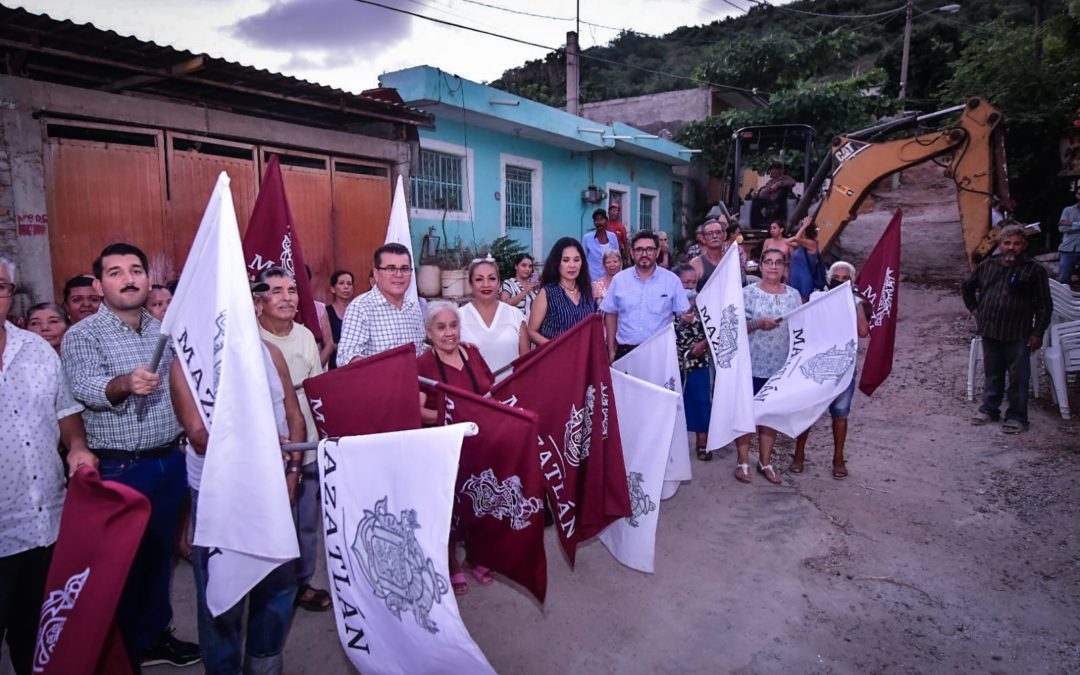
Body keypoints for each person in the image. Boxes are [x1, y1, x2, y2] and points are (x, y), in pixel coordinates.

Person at [62, 243, 199, 668]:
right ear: (100, 286)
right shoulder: (82, 335)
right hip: (120, 467)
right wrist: (123, 384)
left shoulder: (164, 332)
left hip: (168, 461)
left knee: (159, 559)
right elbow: (84, 387)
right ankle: (118, 652)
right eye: (116, 272)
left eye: (136, 269)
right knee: (118, 565)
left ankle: (155, 636)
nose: (129, 278)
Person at [170, 309, 306, 674]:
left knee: (277, 586)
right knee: (222, 598)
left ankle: (264, 665)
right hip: (221, 496)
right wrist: (260, 444)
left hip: (276, 488)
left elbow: (294, 416)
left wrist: (292, 472)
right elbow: (200, 438)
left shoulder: (269, 353)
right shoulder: (186, 364)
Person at [0, 254, 97, 675]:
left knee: (38, 641)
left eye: (1, 286)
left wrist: (76, 444)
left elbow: (65, 409)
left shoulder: (36, 349)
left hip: (45, 527)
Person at [254, 267, 330, 612]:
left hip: (306, 442)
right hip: (262, 447)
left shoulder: (304, 336)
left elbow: (318, 390)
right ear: (258, 300)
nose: (287, 297)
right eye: (276, 291)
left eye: (292, 290)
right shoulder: (246, 337)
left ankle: (302, 583)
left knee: (305, 521)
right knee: (266, 520)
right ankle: (264, 585)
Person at [417, 301, 496, 595]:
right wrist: (455, 417)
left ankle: (476, 558)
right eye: (441, 327)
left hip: (479, 441)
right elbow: (418, 412)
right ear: (428, 332)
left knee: (479, 501)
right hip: (444, 446)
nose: (449, 333)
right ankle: (450, 563)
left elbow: (489, 388)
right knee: (448, 508)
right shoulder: (422, 364)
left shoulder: (472, 352)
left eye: (453, 326)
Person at [963, 225, 1052, 433]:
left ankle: (1017, 417)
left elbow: (1044, 305)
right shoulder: (987, 265)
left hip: (1018, 332)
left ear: (1024, 245)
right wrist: (975, 309)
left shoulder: (1034, 270)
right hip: (990, 330)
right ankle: (989, 409)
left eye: (1016, 243)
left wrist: (1037, 332)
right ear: (1000, 245)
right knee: (992, 373)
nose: (1011, 247)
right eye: (1007, 243)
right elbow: (967, 287)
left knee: (1018, 377)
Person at [790, 261, 871, 479]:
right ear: (829, 278)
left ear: (852, 281)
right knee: (808, 412)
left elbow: (863, 332)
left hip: (843, 367)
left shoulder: (856, 302)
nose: (841, 281)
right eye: (837, 277)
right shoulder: (818, 299)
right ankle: (798, 454)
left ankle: (838, 458)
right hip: (819, 367)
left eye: (846, 278)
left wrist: (854, 306)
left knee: (840, 414)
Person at [734, 248, 803, 485]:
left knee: (770, 416)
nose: (773, 267)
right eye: (768, 262)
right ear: (760, 265)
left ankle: (765, 461)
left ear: (785, 268)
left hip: (779, 367)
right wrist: (756, 324)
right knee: (746, 413)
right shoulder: (746, 294)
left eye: (778, 263)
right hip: (750, 363)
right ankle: (742, 461)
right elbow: (733, 327)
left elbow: (800, 328)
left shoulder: (794, 296)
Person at [601, 230, 690, 361]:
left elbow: (683, 314)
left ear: (657, 252)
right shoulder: (619, 280)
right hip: (626, 351)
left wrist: (687, 317)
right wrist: (610, 349)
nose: (644, 254)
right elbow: (611, 314)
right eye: (639, 250)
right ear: (631, 252)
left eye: (649, 249)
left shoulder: (671, 280)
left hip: (661, 353)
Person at [337, 243, 425, 364]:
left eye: (404, 269)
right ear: (376, 274)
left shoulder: (413, 307)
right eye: (391, 268)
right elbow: (346, 358)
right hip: (378, 381)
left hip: (412, 381)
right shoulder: (361, 308)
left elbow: (420, 349)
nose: (399, 275)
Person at [459, 258, 528, 380]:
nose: (486, 284)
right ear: (470, 284)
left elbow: (526, 363)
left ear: (499, 283)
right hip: (473, 394)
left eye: (491, 278)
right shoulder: (458, 317)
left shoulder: (515, 315)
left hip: (512, 393)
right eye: (479, 279)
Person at [672, 264, 712, 461]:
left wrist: (704, 344)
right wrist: (682, 322)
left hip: (700, 361)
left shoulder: (705, 303)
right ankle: (673, 447)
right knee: (675, 405)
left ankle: (702, 444)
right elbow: (665, 331)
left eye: (693, 282)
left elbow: (714, 329)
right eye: (685, 282)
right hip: (675, 362)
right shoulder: (669, 302)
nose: (690, 286)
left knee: (701, 401)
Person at [527, 237, 597, 346]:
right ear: (556, 262)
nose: (572, 265)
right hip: (556, 358)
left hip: (584, 358)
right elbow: (531, 332)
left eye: (576, 260)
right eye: (566, 260)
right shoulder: (547, 293)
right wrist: (556, 347)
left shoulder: (588, 291)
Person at [787, 217, 823, 302]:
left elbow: (797, 238)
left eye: (801, 228)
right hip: (794, 277)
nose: (800, 230)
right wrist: (803, 227)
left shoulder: (812, 243)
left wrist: (804, 225)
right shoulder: (801, 245)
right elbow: (787, 241)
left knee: (803, 301)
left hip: (804, 278)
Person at [325, 269, 355, 369]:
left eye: (349, 284)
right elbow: (328, 344)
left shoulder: (358, 309)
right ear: (333, 289)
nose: (346, 287)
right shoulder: (327, 311)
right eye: (341, 283)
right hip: (335, 362)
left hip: (356, 361)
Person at [689, 218, 728, 292]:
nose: (714, 236)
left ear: (724, 235)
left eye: (718, 232)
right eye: (709, 233)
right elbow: (689, 294)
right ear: (703, 238)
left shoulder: (731, 260)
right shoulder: (696, 264)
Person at [751, 163, 796, 228]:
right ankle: (755, 224)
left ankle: (756, 224)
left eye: (775, 169)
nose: (773, 171)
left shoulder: (784, 178)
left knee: (756, 201)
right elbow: (764, 193)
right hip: (766, 200)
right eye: (772, 169)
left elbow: (792, 182)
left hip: (776, 201)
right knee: (754, 201)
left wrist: (778, 184)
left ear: (780, 170)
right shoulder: (770, 181)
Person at [582, 208, 620, 283]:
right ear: (594, 222)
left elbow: (618, 258)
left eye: (601, 219)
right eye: (596, 220)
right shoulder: (587, 238)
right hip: (593, 280)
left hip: (610, 280)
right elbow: (583, 259)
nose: (599, 222)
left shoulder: (612, 237)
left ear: (606, 220)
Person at [1057, 187, 1080, 285]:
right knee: (1064, 279)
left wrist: (1071, 224)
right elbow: (1061, 228)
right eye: (1079, 193)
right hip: (1068, 249)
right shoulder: (1068, 210)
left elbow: (1066, 226)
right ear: (1076, 195)